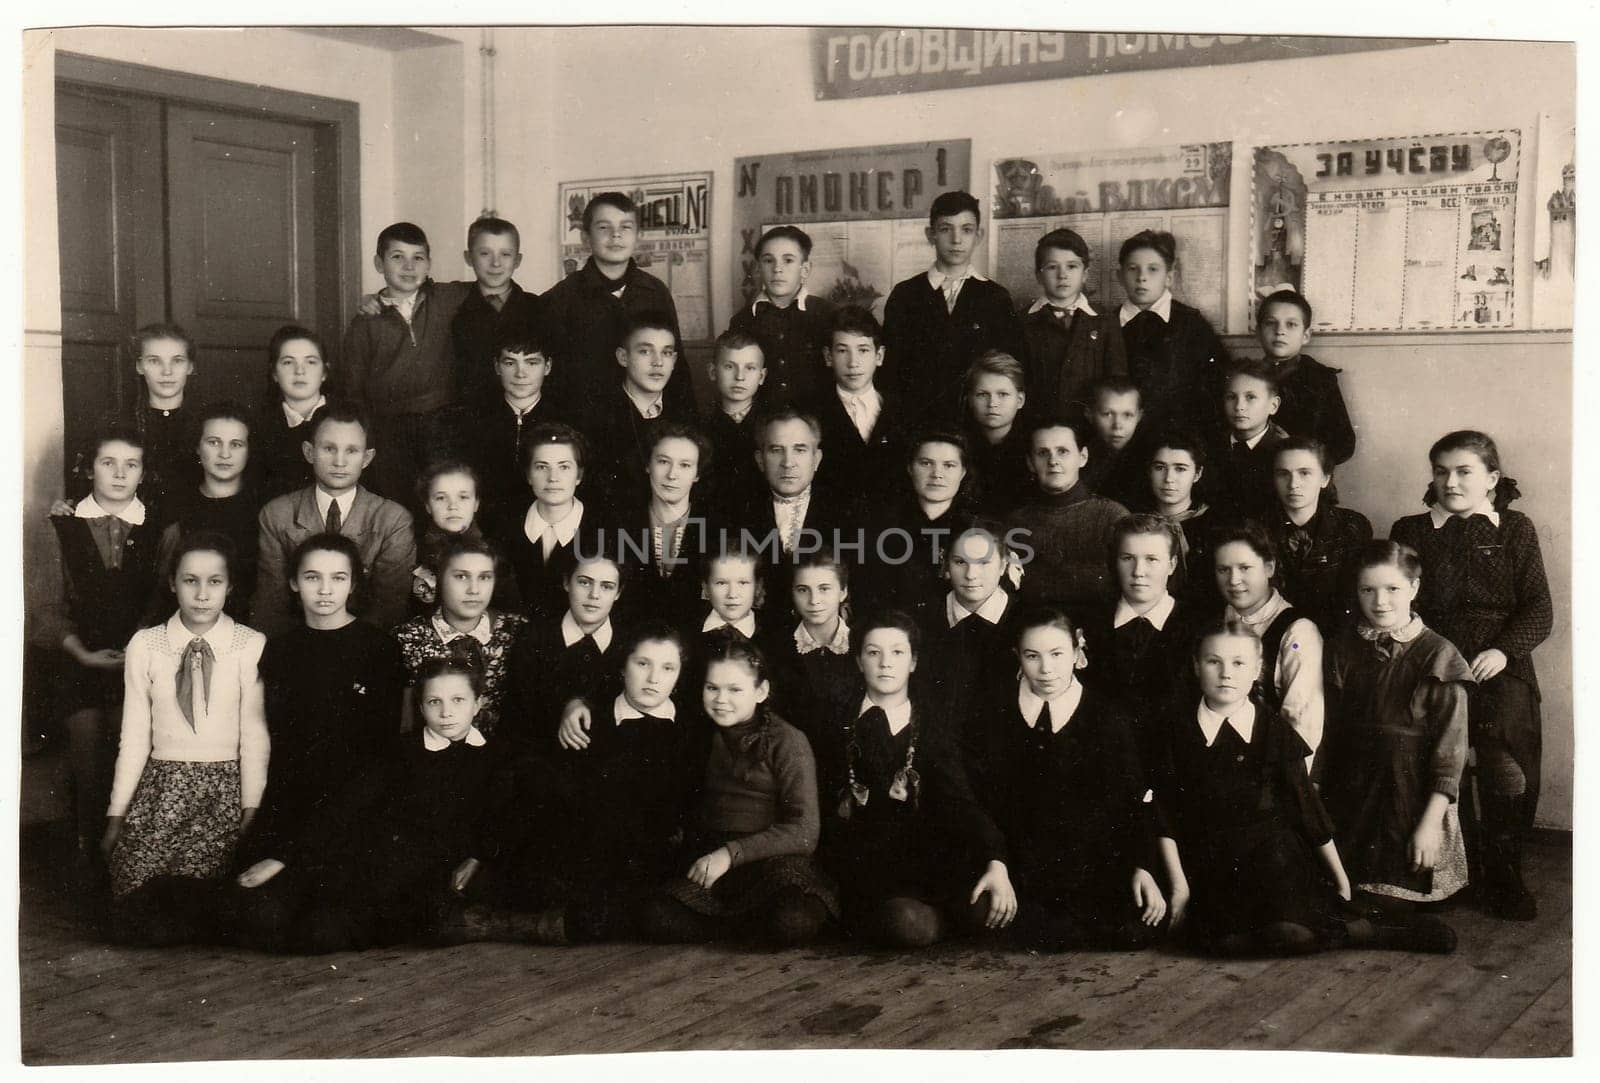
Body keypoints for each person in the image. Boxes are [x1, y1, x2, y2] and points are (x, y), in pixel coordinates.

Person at [1150, 619, 1455, 956]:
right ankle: (1354, 930)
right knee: (1219, 942)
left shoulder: (1273, 730)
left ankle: (1371, 931)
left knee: (1291, 933)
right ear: (1196, 666)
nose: (1226, 673)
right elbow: (1165, 815)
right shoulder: (1175, 732)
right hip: (1210, 859)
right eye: (1213, 661)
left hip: (1273, 856)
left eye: (1238, 663)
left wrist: (1339, 879)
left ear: (1256, 669)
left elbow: (1307, 807)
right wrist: (1179, 888)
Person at [1390, 430, 1552, 920]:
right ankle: (1446, 871)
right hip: (1431, 658)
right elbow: (1397, 598)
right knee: (1435, 754)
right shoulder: (1412, 530)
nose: (1451, 482)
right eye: (1441, 471)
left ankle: (1503, 875)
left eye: (1464, 471)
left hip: (1499, 663)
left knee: (1505, 758)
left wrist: (1504, 651)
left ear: (1492, 479)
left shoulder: (1514, 528)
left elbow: (1539, 609)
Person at [812, 611, 1016, 948]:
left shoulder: (932, 727)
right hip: (862, 867)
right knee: (903, 923)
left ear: (913, 662)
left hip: (926, 863)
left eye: (897, 652)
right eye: (873, 652)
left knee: (987, 906)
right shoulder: (837, 723)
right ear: (859, 661)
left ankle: (929, 919)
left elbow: (962, 803)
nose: (885, 664)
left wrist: (997, 863)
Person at [971, 606, 1167, 952]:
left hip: (1092, 867)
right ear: (1017, 656)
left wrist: (1143, 866)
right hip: (1020, 867)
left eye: (1057, 654)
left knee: (1132, 926)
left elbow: (1132, 802)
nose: (1046, 669)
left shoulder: (1107, 717)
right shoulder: (994, 715)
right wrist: (996, 862)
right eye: (1033, 656)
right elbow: (981, 801)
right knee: (989, 916)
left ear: (1077, 653)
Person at [637, 630, 837, 946]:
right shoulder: (698, 735)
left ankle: (744, 930)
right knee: (655, 915)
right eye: (712, 688)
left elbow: (804, 830)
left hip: (773, 860)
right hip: (714, 860)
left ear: (761, 691)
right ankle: (742, 932)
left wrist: (730, 855)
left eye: (735, 689)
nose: (721, 699)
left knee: (793, 919)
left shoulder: (788, 741)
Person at [102, 532, 268, 904]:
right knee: (133, 895)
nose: (202, 594)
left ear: (230, 586)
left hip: (223, 790)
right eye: (190, 581)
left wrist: (250, 806)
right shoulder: (146, 645)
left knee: (199, 897)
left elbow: (254, 737)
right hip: (162, 787)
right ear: (172, 583)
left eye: (215, 581)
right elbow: (134, 736)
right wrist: (117, 814)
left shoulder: (250, 644)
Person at [237, 533, 406, 872]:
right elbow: (272, 743)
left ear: (354, 583)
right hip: (287, 805)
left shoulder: (380, 650)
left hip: (355, 810)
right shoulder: (278, 650)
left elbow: (382, 756)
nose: (325, 590)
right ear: (294, 582)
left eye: (338, 578)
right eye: (313, 577)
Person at [1322, 541, 1473, 909]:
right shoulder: (1343, 647)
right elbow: (1329, 730)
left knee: (1391, 898)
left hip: (1411, 798)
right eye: (1367, 590)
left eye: (1393, 589)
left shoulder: (1439, 654)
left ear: (1415, 589)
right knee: (1334, 892)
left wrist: (1429, 825)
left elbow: (1450, 754)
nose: (1380, 602)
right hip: (1354, 794)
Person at [51, 425, 161, 865]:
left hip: (138, 658)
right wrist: (81, 653)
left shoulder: (157, 526)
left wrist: (136, 650)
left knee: (129, 744)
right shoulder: (63, 522)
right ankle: (87, 849)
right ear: (89, 468)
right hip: (79, 657)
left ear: (142, 473)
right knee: (87, 745)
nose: (119, 474)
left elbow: (161, 597)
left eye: (131, 465)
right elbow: (45, 603)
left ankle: (127, 850)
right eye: (108, 463)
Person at [251, 402, 417, 636]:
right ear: (309, 452)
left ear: (367, 458)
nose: (340, 462)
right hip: (296, 643)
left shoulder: (392, 519)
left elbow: (390, 606)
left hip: (366, 647)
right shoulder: (277, 514)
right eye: (329, 448)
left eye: (351, 451)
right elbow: (272, 604)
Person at [342, 222, 473, 505]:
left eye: (418, 257)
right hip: (390, 428)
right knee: (397, 501)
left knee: (444, 498)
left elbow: (491, 285)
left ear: (429, 264)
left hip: (442, 423)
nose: (409, 266)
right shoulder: (366, 321)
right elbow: (353, 389)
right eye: (397, 256)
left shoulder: (447, 298)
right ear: (379, 263)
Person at [541, 191, 693, 416]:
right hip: (584, 424)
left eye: (625, 227)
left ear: (637, 236)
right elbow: (551, 380)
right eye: (604, 227)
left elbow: (677, 367)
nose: (616, 235)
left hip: (648, 423)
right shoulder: (560, 299)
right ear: (585, 238)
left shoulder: (655, 292)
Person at [882, 191, 1025, 424]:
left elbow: (1007, 371)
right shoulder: (905, 295)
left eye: (966, 230)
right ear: (931, 235)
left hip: (977, 423)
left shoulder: (996, 298)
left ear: (978, 235)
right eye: (946, 229)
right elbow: (890, 372)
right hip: (917, 421)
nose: (956, 240)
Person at [1079, 514, 1202, 757]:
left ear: (1172, 565)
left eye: (1152, 559)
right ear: (1115, 562)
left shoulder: (1198, 628)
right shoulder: (1091, 625)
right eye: (1128, 558)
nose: (1138, 571)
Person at [392, 535, 527, 738]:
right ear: (439, 578)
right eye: (461, 576)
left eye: (484, 577)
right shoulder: (406, 638)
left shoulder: (517, 632)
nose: (474, 590)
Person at [1213, 523, 1325, 760]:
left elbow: (1302, 724)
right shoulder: (1218, 622)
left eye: (1245, 568)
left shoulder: (1298, 632)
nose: (1233, 580)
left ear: (1269, 567)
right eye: (1224, 569)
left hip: (1270, 764)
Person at [501, 552, 627, 756]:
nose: (594, 595)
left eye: (606, 586)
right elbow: (518, 722)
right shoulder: (533, 638)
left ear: (618, 593)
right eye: (584, 582)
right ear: (567, 582)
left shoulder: (628, 645)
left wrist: (584, 703)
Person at [1004, 412, 1129, 617]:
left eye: (1063, 451)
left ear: (1083, 457)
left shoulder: (1112, 517)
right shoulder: (1015, 523)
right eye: (1043, 453)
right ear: (1030, 462)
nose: (1053, 461)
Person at [854, 430, 976, 628]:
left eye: (949, 465)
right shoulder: (880, 528)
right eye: (926, 463)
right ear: (910, 468)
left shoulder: (975, 529)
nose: (937, 474)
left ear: (963, 472)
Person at [154, 403, 259, 621]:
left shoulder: (264, 509)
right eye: (214, 442)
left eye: (236, 444)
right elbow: (162, 587)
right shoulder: (176, 508)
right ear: (197, 447)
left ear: (249, 450)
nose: (225, 454)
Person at [1115, 230, 1228, 431]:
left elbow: (1215, 384)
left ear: (1168, 277)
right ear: (1120, 276)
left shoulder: (1191, 324)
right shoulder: (1108, 324)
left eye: (1153, 269)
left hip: (1178, 435)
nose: (1142, 278)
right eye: (1133, 269)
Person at [583, 309, 697, 507]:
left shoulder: (687, 418)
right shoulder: (596, 418)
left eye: (666, 353)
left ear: (675, 360)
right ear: (623, 357)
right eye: (645, 351)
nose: (658, 362)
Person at [459, 324, 563, 535]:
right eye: (510, 362)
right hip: (483, 530)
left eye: (532, 362)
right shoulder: (470, 419)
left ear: (548, 366)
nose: (520, 373)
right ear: (497, 366)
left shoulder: (566, 421)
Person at [615, 424, 724, 624]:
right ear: (648, 465)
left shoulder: (717, 530)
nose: (672, 475)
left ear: (697, 474)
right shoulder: (618, 524)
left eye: (685, 465)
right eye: (663, 461)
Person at [1269, 437, 1372, 635]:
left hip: (1335, 637)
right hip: (1274, 635)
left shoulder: (1352, 526)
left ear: (1325, 478)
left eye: (1305, 473)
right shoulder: (1256, 529)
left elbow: (1353, 598)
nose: (1293, 484)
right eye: (1283, 474)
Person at [726, 225, 837, 409]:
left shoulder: (828, 314)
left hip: (818, 423)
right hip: (762, 424)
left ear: (805, 269)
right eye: (768, 260)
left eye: (788, 260)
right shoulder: (742, 321)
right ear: (758, 269)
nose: (777, 269)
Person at [1021, 227, 1127, 419]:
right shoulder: (1023, 321)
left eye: (1072, 266)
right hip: (1038, 427)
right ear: (1038, 275)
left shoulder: (1104, 321)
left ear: (1085, 274)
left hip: (1090, 428)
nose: (1063, 275)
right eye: (1052, 267)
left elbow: (1116, 380)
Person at [813, 305, 905, 517]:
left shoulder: (902, 412)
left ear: (879, 356)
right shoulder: (812, 413)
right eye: (842, 350)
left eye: (863, 350)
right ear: (828, 357)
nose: (853, 363)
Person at [498, 422, 596, 622]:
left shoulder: (606, 531)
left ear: (579, 476)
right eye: (542, 467)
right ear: (528, 475)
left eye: (564, 467)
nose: (553, 478)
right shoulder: (504, 530)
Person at [450, 215, 550, 409]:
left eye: (505, 254)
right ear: (468, 258)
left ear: (518, 260)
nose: (496, 263)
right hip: (472, 416)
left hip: (526, 414)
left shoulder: (540, 308)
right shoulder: (453, 306)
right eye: (485, 253)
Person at [407, 460, 520, 618]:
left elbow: (509, 607)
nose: (453, 506)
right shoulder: (412, 549)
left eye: (463, 497)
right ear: (427, 505)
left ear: (476, 504)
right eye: (441, 498)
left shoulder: (495, 552)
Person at [1255, 289, 1356, 465]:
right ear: (1258, 331)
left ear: (1306, 335)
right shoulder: (1246, 376)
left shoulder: (1320, 379)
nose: (1280, 331)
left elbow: (1344, 444)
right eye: (1271, 323)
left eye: (1291, 324)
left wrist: (1296, 447)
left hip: (1304, 476)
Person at [764, 550, 855, 744]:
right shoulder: (775, 649)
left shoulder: (861, 645)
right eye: (803, 590)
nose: (814, 601)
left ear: (843, 591)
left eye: (824, 588)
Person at [126, 322, 201, 522]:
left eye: (177, 361)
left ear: (190, 366)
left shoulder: (207, 424)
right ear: (140, 366)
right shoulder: (119, 424)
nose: (166, 372)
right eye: (154, 361)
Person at [254, 325, 329, 501]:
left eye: (310, 362)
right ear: (274, 373)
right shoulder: (259, 427)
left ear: (324, 372)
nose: (300, 371)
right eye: (288, 362)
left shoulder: (349, 420)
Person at [1208, 359, 1290, 521]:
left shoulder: (1286, 451)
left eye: (1250, 397)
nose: (1239, 406)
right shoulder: (1211, 445)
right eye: (1231, 397)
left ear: (1273, 405)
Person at [700, 329, 768, 517]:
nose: (740, 377)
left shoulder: (772, 426)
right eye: (730, 367)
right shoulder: (699, 428)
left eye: (750, 368)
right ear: (713, 372)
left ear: (761, 376)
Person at [1146, 431, 1217, 607]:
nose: (1169, 479)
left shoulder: (1215, 526)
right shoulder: (1136, 523)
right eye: (1160, 467)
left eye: (1180, 469)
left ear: (1197, 474)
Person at [961, 351, 1034, 517]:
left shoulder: (1034, 447)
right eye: (982, 394)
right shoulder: (958, 447)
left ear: (1020, 400)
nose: (992, 403)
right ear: (969, 400)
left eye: (1003, 394)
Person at [1082, 378, 1156, 510]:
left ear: (1139, 416)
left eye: (1127, 415)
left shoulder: (1151, 457)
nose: (1117, 426)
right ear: (1089, 414)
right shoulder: (1080, 457)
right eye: (1108, 414)